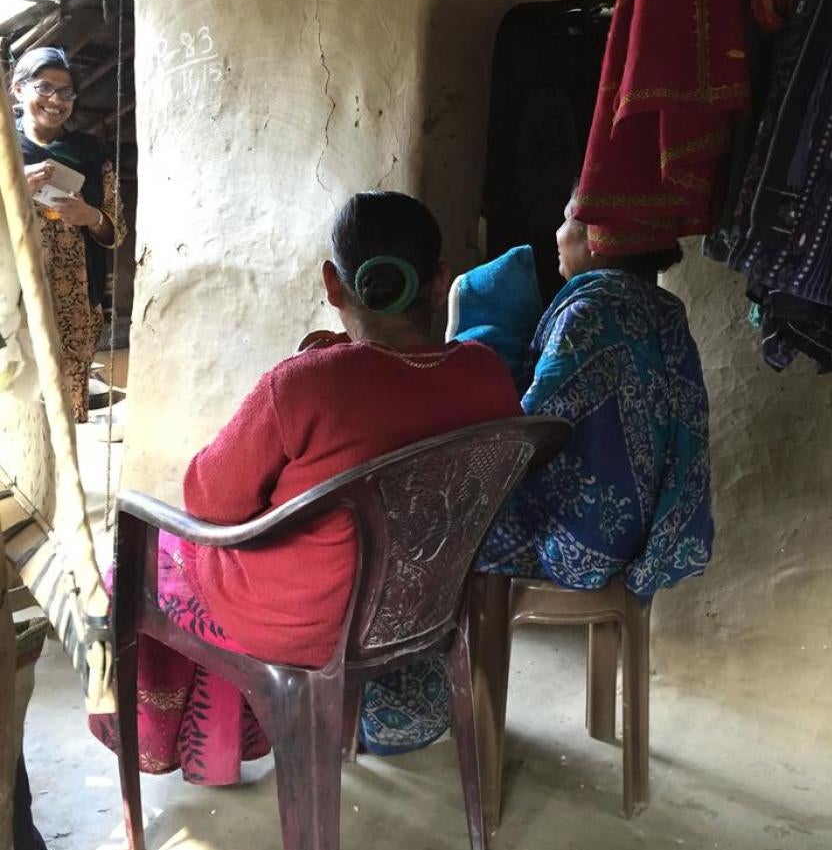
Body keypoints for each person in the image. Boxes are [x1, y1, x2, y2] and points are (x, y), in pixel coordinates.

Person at [89, 192, 521, 781]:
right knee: (193, 558)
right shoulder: (486, 375)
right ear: (441, 280)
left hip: (305, 625)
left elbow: (208, 501)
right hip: (424, 609)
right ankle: (218, 745)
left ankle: (201, 750)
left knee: (136, 569)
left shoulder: (305, 384)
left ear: (332, 285)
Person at [469, 197, 714, 594]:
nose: (558, 234)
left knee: (462, 525)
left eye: (567, 219)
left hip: (591, 549)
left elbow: (531, 433)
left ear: (599, 237)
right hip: (660, 542)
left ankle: (482, 652)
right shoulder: (666, 310)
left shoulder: (589, 312)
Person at [11, 47, 126, 422]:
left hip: (74, 303)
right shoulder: (4, 151)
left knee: (61, 408)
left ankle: (61, 479)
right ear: (18, 89)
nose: (55, 101)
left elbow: (116, 229)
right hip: (13, 300)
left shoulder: (89, 154)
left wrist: (90, 215)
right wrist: (14, 191)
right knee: (15, 396)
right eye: (44, 88)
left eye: (66, 93)